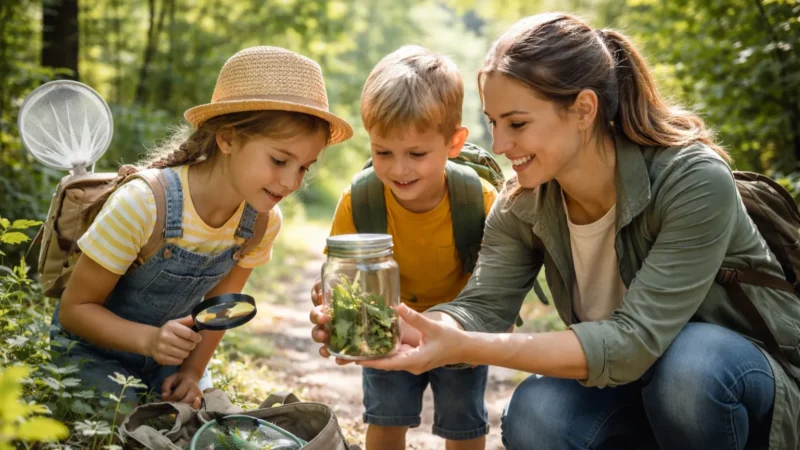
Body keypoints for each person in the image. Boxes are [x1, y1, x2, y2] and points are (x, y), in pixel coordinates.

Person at [312, 13, 800, 450]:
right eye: (493, 123)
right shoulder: (523, 205)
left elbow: (633, 342)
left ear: (584, 110)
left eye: (517, 123)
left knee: (691, 366)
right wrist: (412, 330)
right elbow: (481, 306)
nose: (500, 145)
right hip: (635, 388)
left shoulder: (691, 179)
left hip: (737, 382)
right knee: (537, 413)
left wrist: (466, 346)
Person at [52, 45, 353, 409]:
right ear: (227, 139)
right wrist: (149, 340)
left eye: (304, 167)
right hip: (92, 350)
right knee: (125, 410)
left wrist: (192, 372)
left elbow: (218, 310)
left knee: (204, 414)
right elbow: (75, 309)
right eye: (279, 160)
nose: (291, 182)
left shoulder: (260, 223)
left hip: (169, 360)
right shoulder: (144, 204)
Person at [311, 45, 498, 450]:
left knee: (464, 423)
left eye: (416, 153)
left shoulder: (478, 201)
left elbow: (497, 285)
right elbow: (342, 274)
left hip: (459, 334)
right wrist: (333, 306)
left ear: (453, 142)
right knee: (386, 417)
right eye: (383, 152)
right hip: (387, 332)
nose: (399, 169)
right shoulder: (359, 201)